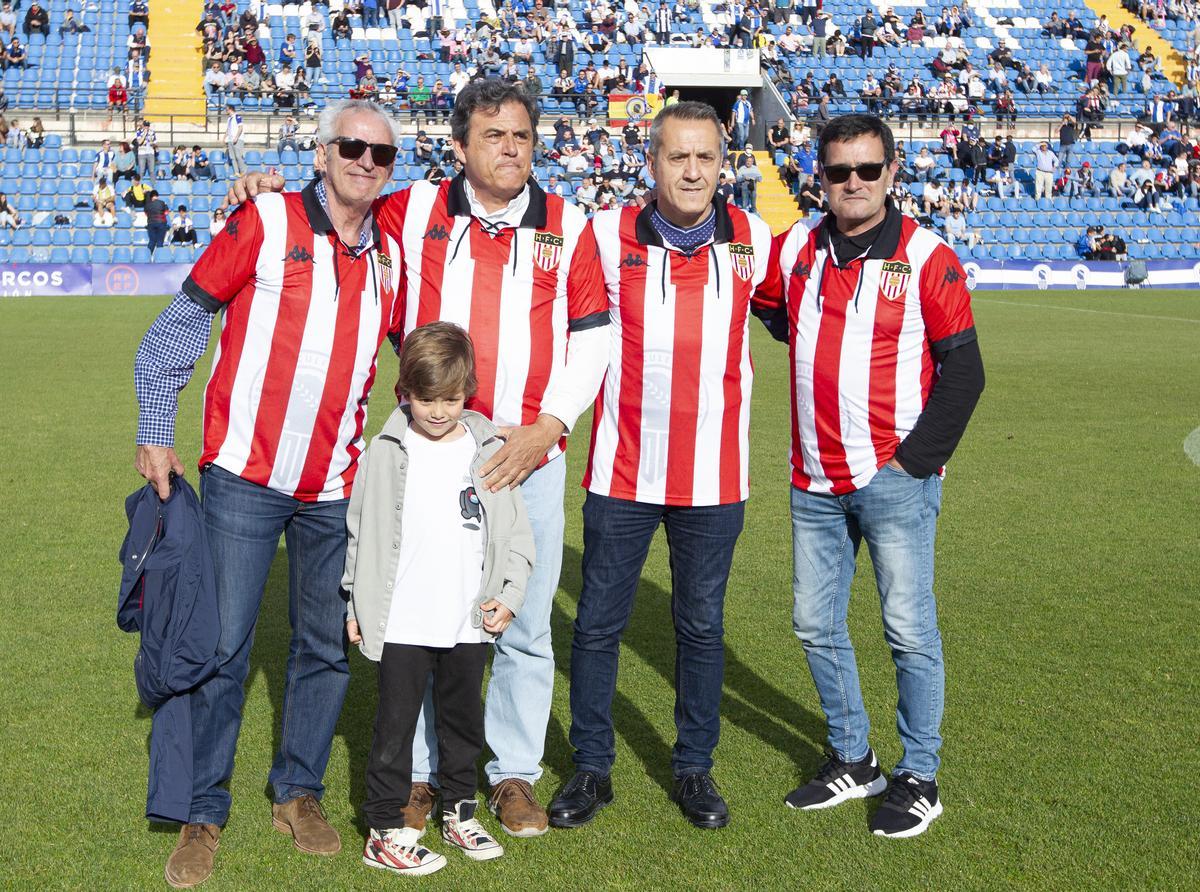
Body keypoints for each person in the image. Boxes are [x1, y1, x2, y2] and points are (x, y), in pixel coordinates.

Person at [225, 79, 610, 839]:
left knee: (525, 622)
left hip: (528, 457)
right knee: (433, 613)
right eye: (493, 135)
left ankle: (512, 773)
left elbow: (594, 336)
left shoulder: (571, 224)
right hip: (433, 453)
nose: (511, 148)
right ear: (459, 146)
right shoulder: (413, 210)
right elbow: (339, 204)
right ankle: (425, 774)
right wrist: (266, 191)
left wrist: (548, 426)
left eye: (522, 136)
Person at [133, 99, 403, 889]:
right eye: (351, 147)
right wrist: (155, 429)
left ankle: (298, 793)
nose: (365, 162)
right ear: (321, 154)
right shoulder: (265, 220)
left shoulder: (392, 256)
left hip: (334, 487)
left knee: (324, 647)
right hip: (243, 477)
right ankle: (202, 810)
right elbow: (178, 326)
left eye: (381, 154)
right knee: (221, 647)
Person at [548, 101, 778, 832]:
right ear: (651, 162)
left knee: (701, 628)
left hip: (715, 478)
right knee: (596, 627)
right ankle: (591, 765)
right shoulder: (604, 233)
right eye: (677, 156)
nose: (693, 170)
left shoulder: (755, 238)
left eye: (706, 157)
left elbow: (808, 305)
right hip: (623, 472)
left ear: (724, 163)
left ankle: (693, 767)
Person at [755, 113, 985, 839]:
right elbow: (776, 316)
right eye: (838, 171)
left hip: (893, 478)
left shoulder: (926, 255)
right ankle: (855, 758)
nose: (852, 182)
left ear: (891, 173)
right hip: (812, 477)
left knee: (908, 629)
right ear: (819, 178)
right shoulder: (796, 247)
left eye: (866, 169)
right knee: (814, 623)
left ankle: (920, 774)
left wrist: (911, 464)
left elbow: (965, 372)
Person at [345, 321, 534, 875]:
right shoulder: (385, 449)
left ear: (467, 392)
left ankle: (459, 812)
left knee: (462, 725)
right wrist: (354, 602)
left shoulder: (489, 449)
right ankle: (384, 831)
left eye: (451, 400)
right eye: (426, 399)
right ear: (405, 391)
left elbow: (516, 534)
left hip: (467, 619)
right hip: (402, 619)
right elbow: (359, 530)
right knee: (394, 729)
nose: (438, 411)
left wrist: (510, 594)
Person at [144, 189, 170, 254]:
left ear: (151, 197)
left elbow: (146, 214)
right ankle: (159, 257)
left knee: (152, 241)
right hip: (161, 223)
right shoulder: (162, 203)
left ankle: (148, 256)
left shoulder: (147, 204)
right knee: (160, 242)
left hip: (151, 224)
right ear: (157, 196)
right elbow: (166, 212)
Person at [225, 104, 246, 176]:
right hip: (230, 140)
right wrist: (224, 137)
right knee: (232, 157)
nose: (226, 111)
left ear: (230, 109)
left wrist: (236, 137)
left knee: (238, 156)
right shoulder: (229, 119)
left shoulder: (237, 117)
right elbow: (228, 129)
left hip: (238, 139)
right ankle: (236, 172)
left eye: (227, 109)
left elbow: (240, 127)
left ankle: (243, 172)